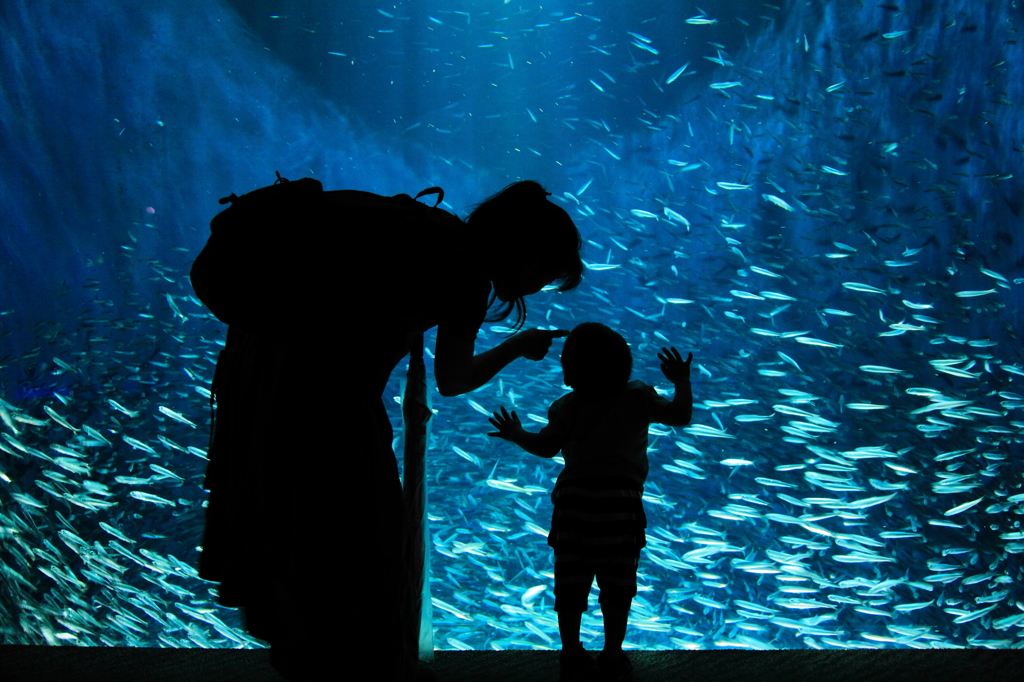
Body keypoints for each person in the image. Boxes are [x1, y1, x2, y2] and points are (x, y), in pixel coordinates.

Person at [190, 180, 584, 682]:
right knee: (354, 526)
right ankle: (351, 667)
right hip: (319, 392)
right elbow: (453, 378)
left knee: (287, 510)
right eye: (547, 277)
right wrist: (517, 346)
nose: (537, 288)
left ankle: (303, 655)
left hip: (258, 362)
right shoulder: (464, 272)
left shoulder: (422, 227)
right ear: (527, 254)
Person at [486, 322, 693, 682]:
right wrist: (681, 380)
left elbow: (547, 447)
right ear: (623, 365)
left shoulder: (566, 407)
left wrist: (516, 434)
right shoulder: (638, 396)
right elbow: (681, 416)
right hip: (621, 502)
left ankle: (571, 654)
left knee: (571, 581)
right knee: (618, 583)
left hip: (574, 504)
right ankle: (612, 655)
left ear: (569, 372)